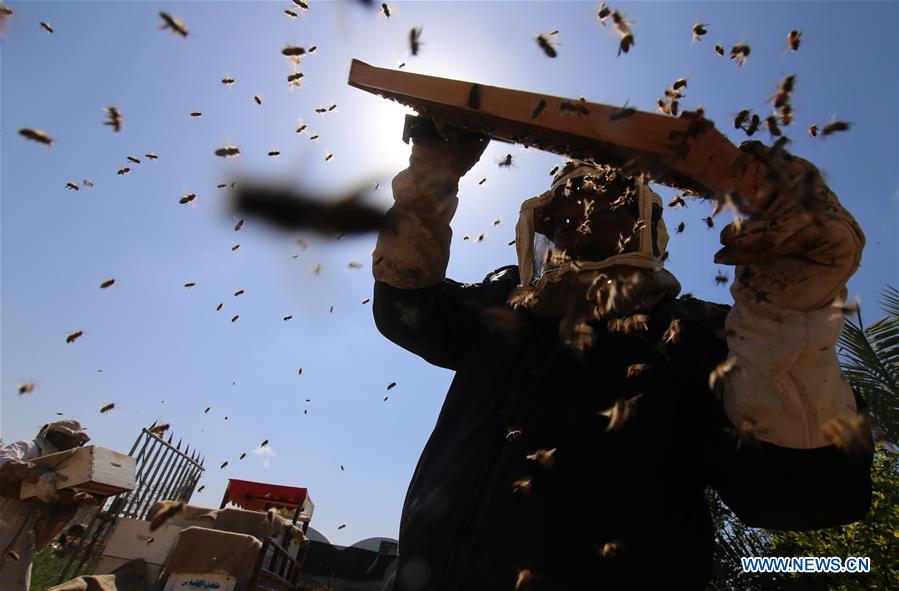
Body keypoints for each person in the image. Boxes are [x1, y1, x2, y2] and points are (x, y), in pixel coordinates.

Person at [371, 122, 874, 590]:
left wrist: (788, 315)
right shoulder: (508, 305)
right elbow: (408, 307)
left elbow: (805, 492)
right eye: (564, 206)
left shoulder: (703, 335)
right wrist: (429, 183)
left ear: (642, 227)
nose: (579, 215)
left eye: (604, 202)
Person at [0, 419, 91, 590]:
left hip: (22, 539)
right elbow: (3, 461)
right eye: (75, 439)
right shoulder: (29, 447)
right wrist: (34, 474)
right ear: (58, 436)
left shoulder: (62, 465)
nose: (77, 444)